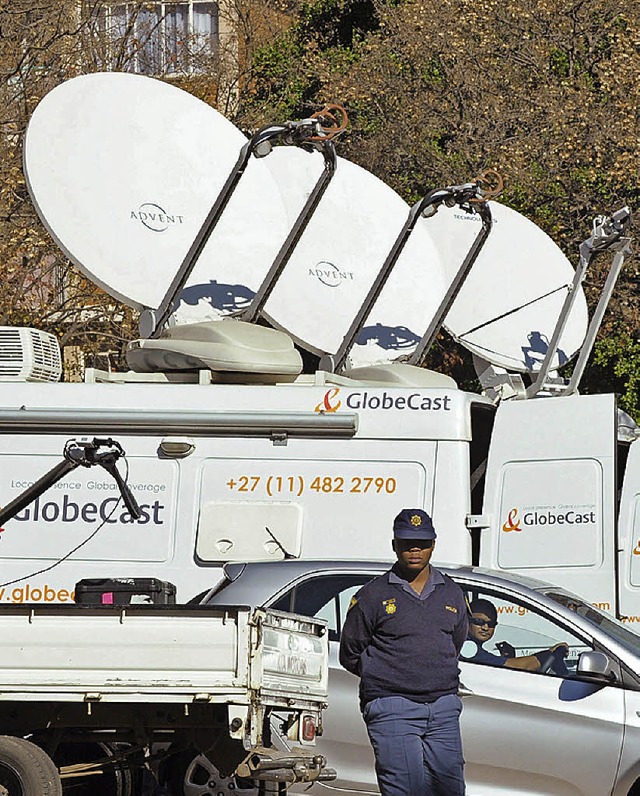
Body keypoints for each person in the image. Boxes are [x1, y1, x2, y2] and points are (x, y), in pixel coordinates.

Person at [339, 508, 468, 796]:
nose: (414, 549)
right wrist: (389, 676)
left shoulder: (451, 593)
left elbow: (454, 644)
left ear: (433, 545)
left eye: (421, 543)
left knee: (451, 790)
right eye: (407, 542)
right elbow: (350, 653)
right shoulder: (372, 595)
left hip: (443, 708)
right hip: (393, 706)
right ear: (394, 545)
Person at [463, 598, 569, 673]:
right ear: (467, 621)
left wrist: (507, 658)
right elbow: (516, 667)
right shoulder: (467, 648)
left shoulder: (472, 646)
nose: (485, 628)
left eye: (491, 624)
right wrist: (548, 654)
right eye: (479, 621)